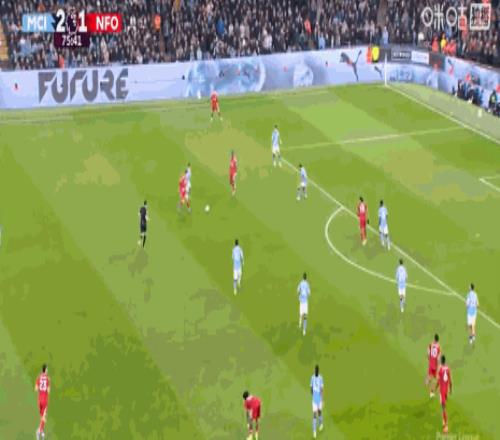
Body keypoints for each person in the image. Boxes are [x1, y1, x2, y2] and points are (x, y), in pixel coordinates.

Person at [435, 355, 452, 433]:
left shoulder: (440, 370)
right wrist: (450, 390)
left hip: (442, 391)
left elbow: (438, 381)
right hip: (446, 391)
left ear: (441, 361)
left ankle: (446, 426)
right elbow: (450, 381)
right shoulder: (448, 369)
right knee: (444, 406)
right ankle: (444, 421)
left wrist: (435, 389)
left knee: (443, 408)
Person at [35, 364, 50, 440]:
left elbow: (36, 389)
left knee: (42, 417)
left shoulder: (38, 377)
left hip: (39, 400)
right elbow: (48, 390)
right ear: (45, 370)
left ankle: (42, 432)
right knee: (44, 417)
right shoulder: (47, 378)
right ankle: (39, 431)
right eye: (47, 369)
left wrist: (40, 390)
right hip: (45, 401)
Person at [310, 365, 324, 438]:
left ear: (318, 371)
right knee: (314, 415)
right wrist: (313, 395)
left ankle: (321, 424)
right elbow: (311, 388)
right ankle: (314, 431)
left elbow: (321, 389)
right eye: (315, 370)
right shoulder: (312, 378)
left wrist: (322, 399)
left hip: (319, 399)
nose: (315, 371)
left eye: (316, 370)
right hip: (314, 400)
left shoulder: (321, 378)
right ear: (314, 370)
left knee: (319, 412)